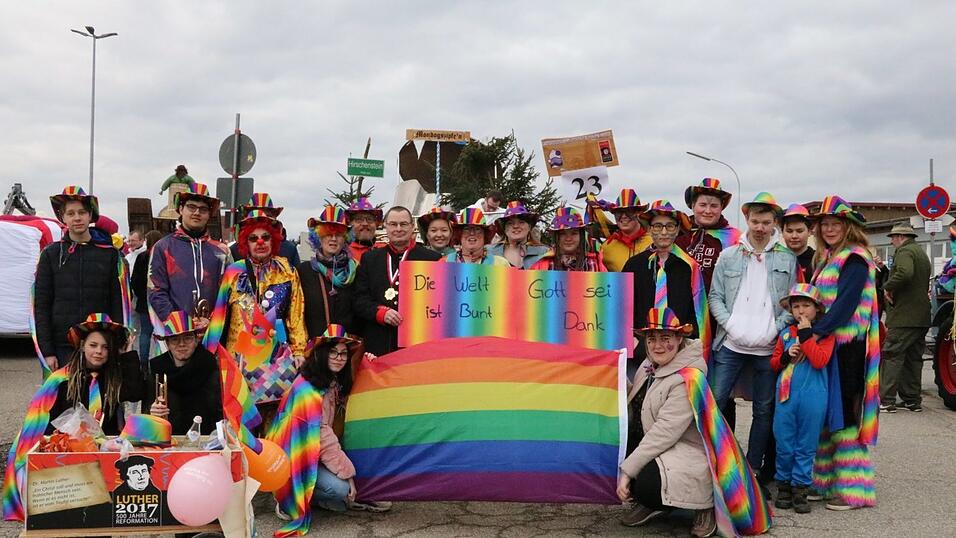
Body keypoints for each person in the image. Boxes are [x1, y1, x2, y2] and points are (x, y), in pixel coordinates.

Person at [617, 308, 771, 538]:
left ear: (680, 339)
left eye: (666, 338)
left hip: (691, 453)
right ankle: (655, 501)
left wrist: (628, 471)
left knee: (644, 482)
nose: (658, 345)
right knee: (628, 465)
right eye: (652, 339)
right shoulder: (649, 366)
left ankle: (705, 504)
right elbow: (636, 401)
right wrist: (614, 374)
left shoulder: (687, 378)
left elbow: (665, 432)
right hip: (664, 447)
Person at [3, 313, 143, 521]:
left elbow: (136, 392)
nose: (99, 352)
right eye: (93, 345)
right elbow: (47, 422)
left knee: (100, 519)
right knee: (74, 519)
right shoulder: (63, 379)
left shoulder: (114, 377)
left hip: (106, 455)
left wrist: (128, 355)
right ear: (82, 345)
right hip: (70, 456)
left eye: (105, 347)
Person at [270, 325, 389, 536]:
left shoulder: (327, 380)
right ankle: (288, 497)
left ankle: (321, 493)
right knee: (340, 489)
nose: (339, 358)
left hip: (312, 452)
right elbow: (322, 436)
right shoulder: (308, 391)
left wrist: (367, 361)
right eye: (333, 352)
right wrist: (348, 474)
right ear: (322, 353)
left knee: (343, 480)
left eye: (343, 353)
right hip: (294, 461)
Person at [708, 192, 797, 474]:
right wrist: (730, 325)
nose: (760, 227)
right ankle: (718, 462)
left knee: (764, 410)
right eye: (755, 221)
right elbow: (715, 297)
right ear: (747, 219)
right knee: (716, 403)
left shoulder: (788, 259)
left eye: (766, 222)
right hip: (730, 345)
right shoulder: (729, 255)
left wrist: (774, 329)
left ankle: (753, 468)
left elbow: (793, 302)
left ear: (774, 224)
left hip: (768, 349)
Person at [807, 195, 880, 510]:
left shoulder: (855, 258)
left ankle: (855, 490)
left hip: (847, 348)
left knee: (846, 415)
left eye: (836, 223)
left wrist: (814, 332)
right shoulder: (827, 258)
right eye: (825, 224)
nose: (830, 228)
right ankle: (823, 482)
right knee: (826, 413)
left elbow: (845, 305)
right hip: (830, 346)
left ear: (848, 226)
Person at [203, 210, 307, 407]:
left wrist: (299, 350)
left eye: (265, 237)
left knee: (273, 413)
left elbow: (296, 315)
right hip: (238, 360)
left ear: (273, 240)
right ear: (246, 243)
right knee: (240, 415)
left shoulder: (287, 272)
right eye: (253, 238)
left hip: (274, 359)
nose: (260, 243)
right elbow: (219, 315)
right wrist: (210, 353)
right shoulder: (234, 272)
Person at [34, 186, 126, 369]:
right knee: (63, 397)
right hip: (62, 346)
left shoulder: (109, 255)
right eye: (71, 213)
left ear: (90, 215)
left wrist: (118, 342)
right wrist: (47, 350)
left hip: (99, 345)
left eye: (82, 212)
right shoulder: (50, 254)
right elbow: (41, 305)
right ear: (63, 217)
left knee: (100, 397)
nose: (77, 217)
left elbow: (118, 301)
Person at [770, 284, 834, 514]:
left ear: (817, 309)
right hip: (786, 396)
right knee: (784, 442)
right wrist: (786, 356)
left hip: (814, 397)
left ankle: (800, 488)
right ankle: (784, 485)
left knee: (806, 445)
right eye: (796, 306)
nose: (801, 311)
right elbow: (774, 363)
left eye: (806, 305)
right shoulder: (786, 333)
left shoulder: (825, 335)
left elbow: (819, 361)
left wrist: (807, 336)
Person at [622, 200, 708, 364]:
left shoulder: (689, 267)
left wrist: (685, 340)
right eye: (657, 226)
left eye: (669, 226)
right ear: (649, 229)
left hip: (678, 349)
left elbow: (696, 311)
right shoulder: (634, 265)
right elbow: (623, 308)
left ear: (677, 230)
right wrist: (633, 341)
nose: (663, 232)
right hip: (641, 348)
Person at [353, 206, 442, 356]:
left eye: (404, 224)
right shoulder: (370, 259)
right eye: (393, 224)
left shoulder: (432, 259)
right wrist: (379, 313)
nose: (398, 229)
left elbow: (440, 302)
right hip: (378, 342)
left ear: (412, 227)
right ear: (385, 226)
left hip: (417, 344)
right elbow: (359, 299)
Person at [148, 182, 231, 331]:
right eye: (191, 207)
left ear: (209, 214)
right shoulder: (162, 247)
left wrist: (211, 322)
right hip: (175, 334)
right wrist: (179, 323)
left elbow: (229, 293)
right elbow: (156, 291)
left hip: (212, 333)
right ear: (180, 209)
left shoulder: (222, 252)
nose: (197, 213)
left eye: (203, 209)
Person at [880, 223, 931, 413]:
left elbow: (904, 272)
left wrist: (887, 286)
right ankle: (912, 400)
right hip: (921, 316)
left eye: (893, 238)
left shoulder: (904, 252)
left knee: (892, 354)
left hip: (904, 316)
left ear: (901, 237)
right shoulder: (920, 253)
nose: (892, 241)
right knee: (913, 358)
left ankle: (887, 400)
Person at [148, 311, 223, 434]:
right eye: (175, 339)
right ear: (167, 343)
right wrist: (152, 412)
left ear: (196, 340)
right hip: (169, 441)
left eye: (187, 338)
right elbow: (148, 416)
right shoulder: (157, 370)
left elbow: (220, 411)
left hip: (206, 441)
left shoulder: (210, 366)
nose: (181, 344)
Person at [300, 205, 358, 337]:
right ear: (318, 237)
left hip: (345, 351)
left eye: (338, 234)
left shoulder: (355, 271)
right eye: (327, 234)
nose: (333, 239)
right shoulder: (304, 271)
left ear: (345, 239)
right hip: (315, 348)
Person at [676, 178, 742, 288]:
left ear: (721, 208)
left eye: (714, 206)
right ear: (693, 206)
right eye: (702, 205)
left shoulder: (735, 238)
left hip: (716, 303)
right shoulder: (679, 233)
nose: (708, 211)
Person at [229, 193, 301, 266]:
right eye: (255, 214)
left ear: (274, 218)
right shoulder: (235, 250)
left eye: (267, 216)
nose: (262, 218)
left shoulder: (289, 249)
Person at [530, 207, 606, 271]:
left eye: (574, 233)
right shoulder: (541, 266)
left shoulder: (595, 265)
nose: (568, 239)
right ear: (556, 237)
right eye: (562, 234)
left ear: (581, 236)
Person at [599, 189, 652, 272]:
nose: (623, 216)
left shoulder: (653, 243)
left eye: (629, 212)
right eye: (619, 213)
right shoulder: (606, 248)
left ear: (638, 214)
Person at [131, 230, 163, 363]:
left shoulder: (142, 257)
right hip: (161, 301)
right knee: (161, 334)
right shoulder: (163, 257)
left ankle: (143, 363)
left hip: (144, 302)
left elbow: (134, 281)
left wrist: (141, 295)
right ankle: (159, 361)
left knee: (145, 333)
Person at [488, 201, 548, 269]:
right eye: (510, 223)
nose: (516, 226)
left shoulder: (545, 253)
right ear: (504, 229)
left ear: (530, 227)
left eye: (521, 222)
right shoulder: (488, 252)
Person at [444, 208, 510, 265]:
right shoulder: (445, 262)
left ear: (485, 235)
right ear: (459, 234)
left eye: (477, 229)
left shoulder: (500, 264)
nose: (472, 233)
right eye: (467, 229)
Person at [781, 204, 815, 282]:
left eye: (799, 231)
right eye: (789, 231)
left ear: (809, 232)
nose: (794, 236)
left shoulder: (819, 261)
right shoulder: (775, 260)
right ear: (782, 232)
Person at [346, 197, 384, 262]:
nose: (365, 223)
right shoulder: (344, 253)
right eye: (359, 219)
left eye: (369, 219)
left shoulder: (385, 250)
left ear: (376, 224)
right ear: (350, 223)